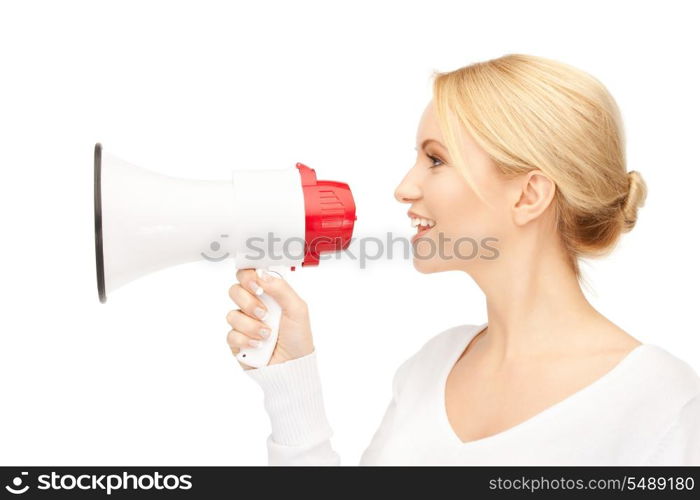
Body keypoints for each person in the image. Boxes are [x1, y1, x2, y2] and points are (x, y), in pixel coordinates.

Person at [225, 54, 700, 465]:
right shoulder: (433, 366)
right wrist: (292, 382)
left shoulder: (659, 399)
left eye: (436, 160)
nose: (404, 188)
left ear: (528, 194)